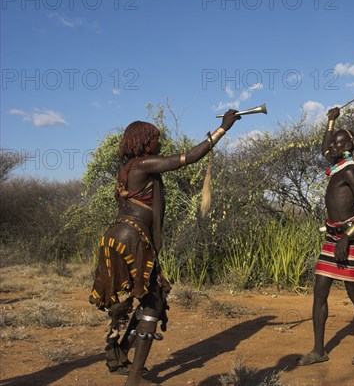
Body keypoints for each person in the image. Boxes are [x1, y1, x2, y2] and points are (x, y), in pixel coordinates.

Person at [89, 109, 241, 386]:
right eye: (156, 140)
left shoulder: (125, 169)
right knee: (153, 301)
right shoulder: (144, 164)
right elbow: (190, 158)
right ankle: (134, 377)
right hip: (133, 239)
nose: (159, 144)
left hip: (115, 237)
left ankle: (119, 354)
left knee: (130, 301)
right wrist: (223, 129)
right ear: (144, 142)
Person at [298, 107, 354, 366]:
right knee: (319, 291)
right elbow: (323, 148)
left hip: (351, 240)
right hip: (332, 238)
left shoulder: (349, 170)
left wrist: (347, 237)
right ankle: (319, 351)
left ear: (349, 147)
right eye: (333, 142)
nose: (332, 145)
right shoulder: (336, 165)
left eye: (338, 142)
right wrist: (330, 122)